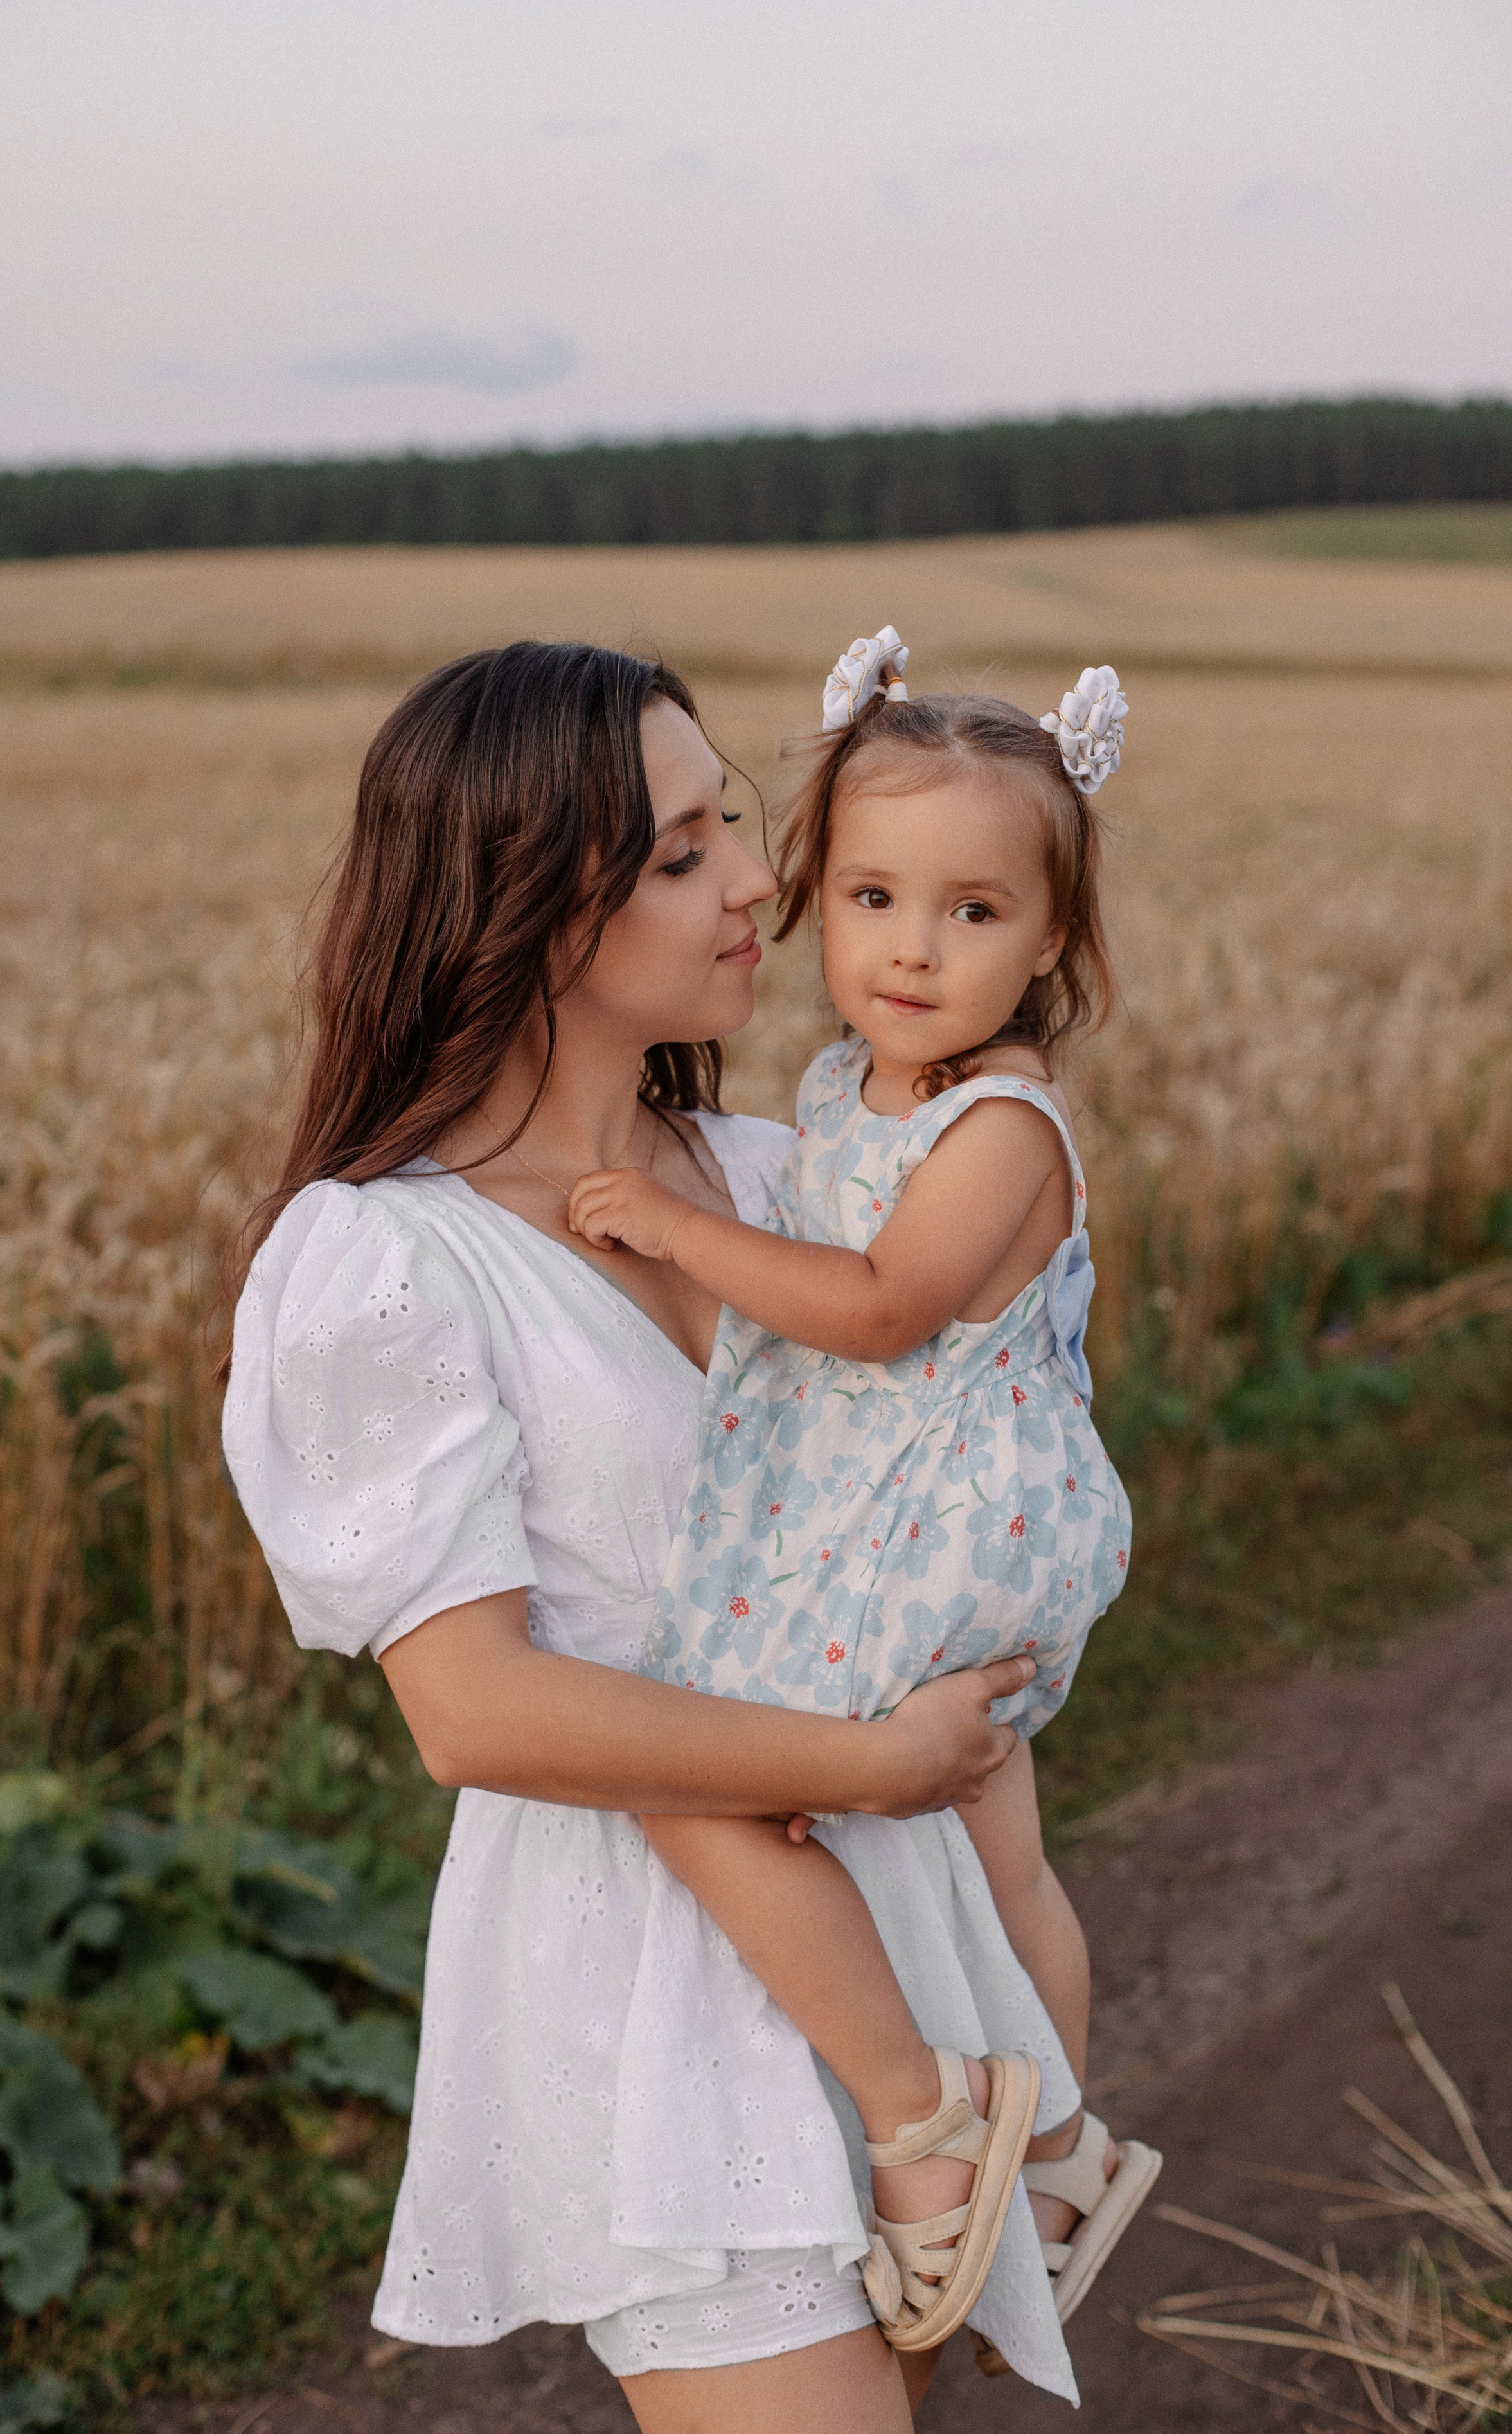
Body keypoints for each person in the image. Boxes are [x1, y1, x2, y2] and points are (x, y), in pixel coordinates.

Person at [222, 638, 1083, 2431]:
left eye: (738, 827)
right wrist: (868, 1756)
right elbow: (476, 1712)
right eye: (685, 852)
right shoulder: (388, 1260)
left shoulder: (790, 1184)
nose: (761, 883)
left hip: (903, 1926)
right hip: (655, 1984)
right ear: (529, 904)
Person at [566, 632, 1161, 2352]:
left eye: (976, 913)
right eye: (875, 897)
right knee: (986, 1843)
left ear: (1052, 942)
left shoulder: (1000, 1127)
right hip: (881, 1500)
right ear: (816, 899)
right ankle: (1042, 2148)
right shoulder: (851, 1086)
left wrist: (681, 1230)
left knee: (747, 1788)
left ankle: (973, 2138)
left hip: (964, 1517)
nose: (914, 946)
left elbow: (886, 1310)